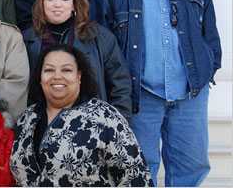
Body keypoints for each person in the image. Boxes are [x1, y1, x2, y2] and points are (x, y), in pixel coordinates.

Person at [91, 0, 221, 186]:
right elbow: (100, 42)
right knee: (138, 166)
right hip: (141, 96)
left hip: (189, 93)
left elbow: (209, 34)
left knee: (191, 166)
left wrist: (208, 67)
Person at [10, 44, 152, 186]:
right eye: (48, 70)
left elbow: (135, 177)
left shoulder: (104, 117)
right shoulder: (27, 119)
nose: (57, 76)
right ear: (40, 78)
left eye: (66, 70)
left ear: (79, 76)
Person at [23, 0, 131, 118]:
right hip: (42, 120)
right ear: (41, 4)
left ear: (74, 4)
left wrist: (117, 121)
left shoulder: (99, 36)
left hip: (91, 122)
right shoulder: (26, 40)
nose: (57, 4)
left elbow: (120, 82)